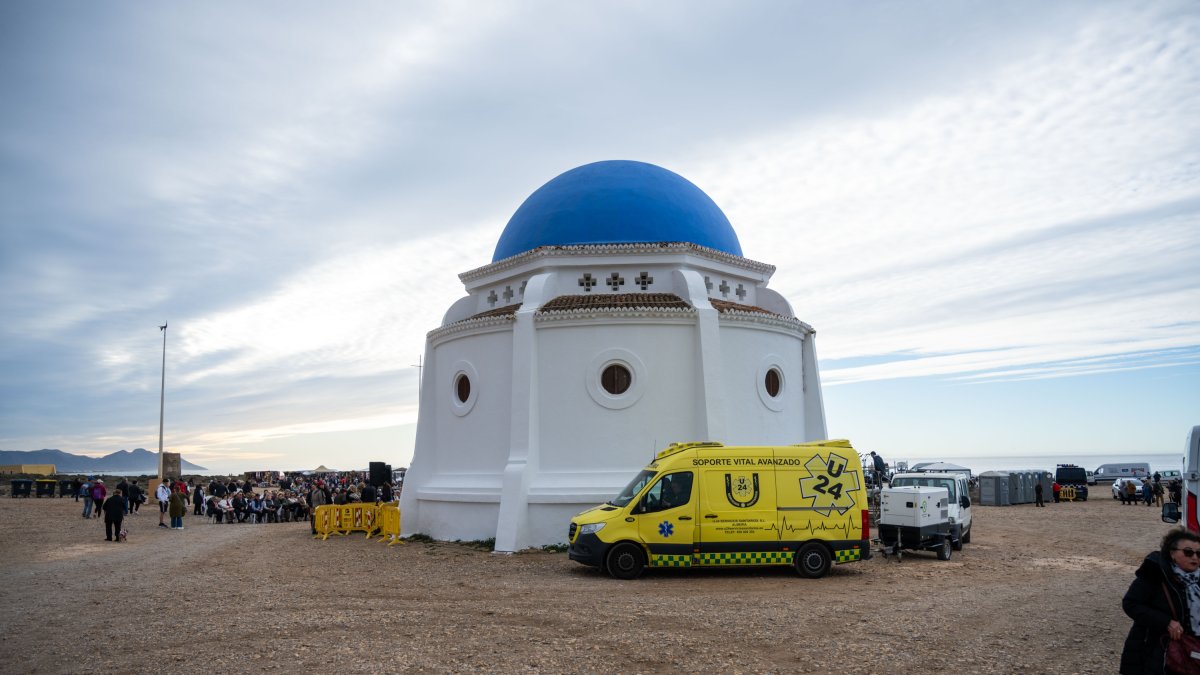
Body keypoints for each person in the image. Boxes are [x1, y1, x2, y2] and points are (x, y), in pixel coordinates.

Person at [1120, 528, 1200, 673]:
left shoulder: (1198, 580)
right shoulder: (1155, 573)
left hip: (1193, 651)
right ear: (1172, 553)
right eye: (1188, 552)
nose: (1194, 557)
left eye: (1199, 553)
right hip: (1156, 651)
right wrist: (1166, 622)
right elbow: (1131, 603)